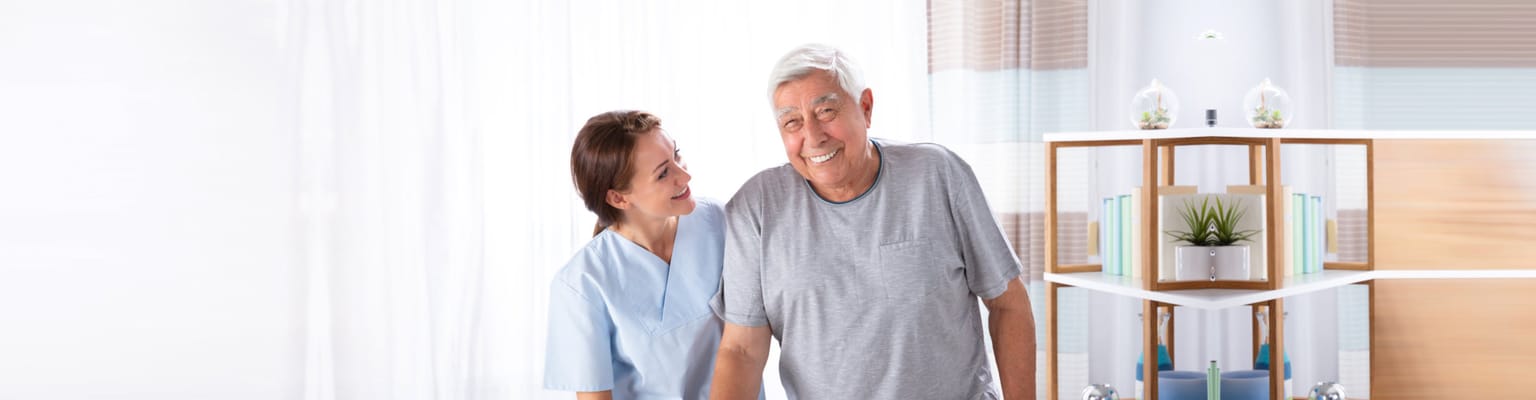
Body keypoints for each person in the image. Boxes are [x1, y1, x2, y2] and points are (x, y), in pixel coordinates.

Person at [709, 44, 1038, 399]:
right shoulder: (754, 208)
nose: (814, 135)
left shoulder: (937, 174)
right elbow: (742, 351)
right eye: (792, 122)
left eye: (826, 111)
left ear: (865, 108)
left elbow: (1008, 304)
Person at [545, 110, 733, 400]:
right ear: (619, 197)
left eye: (677, 155)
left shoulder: (721, 222)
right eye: (663, 173)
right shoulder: (581, 282)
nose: (685, 175)